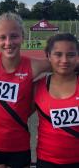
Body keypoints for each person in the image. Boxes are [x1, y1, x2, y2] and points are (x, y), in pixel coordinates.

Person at [0, 12, 50, 168]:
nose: (8, 42)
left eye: (14, 36)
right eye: (2, 37)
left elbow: (63, 63)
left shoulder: (33, 65)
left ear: (22, 36)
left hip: (19, 144)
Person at [34, 33, 79, 168]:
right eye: (58, 54)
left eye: (71, 55)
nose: (64, 60)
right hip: (46, 160)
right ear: (48, 56)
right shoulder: (37, 87)